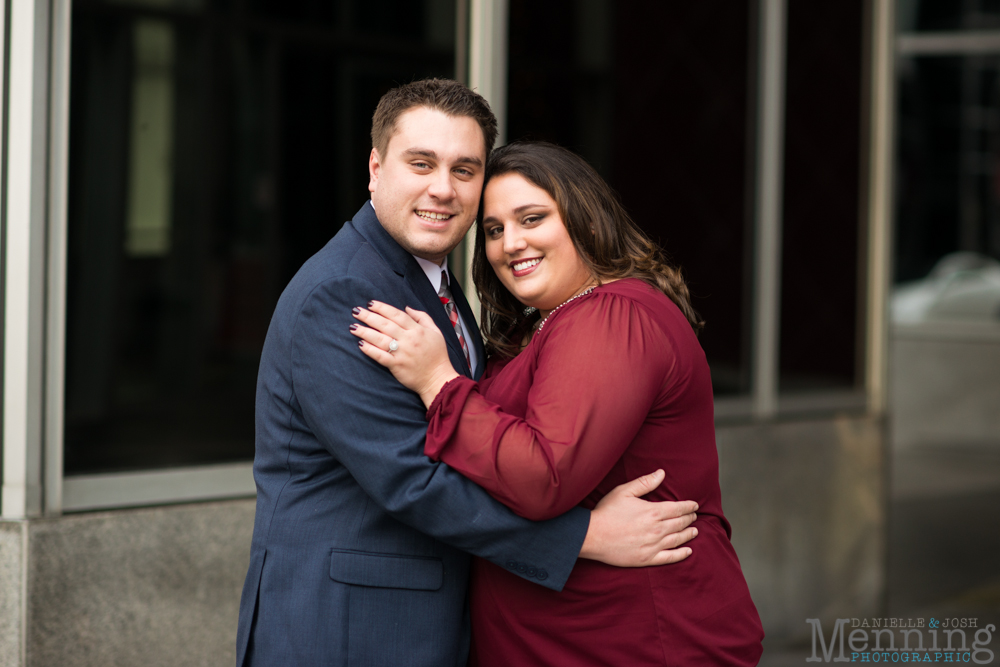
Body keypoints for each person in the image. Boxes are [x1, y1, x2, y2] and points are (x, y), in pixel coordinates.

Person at [236, 80, 701, 667]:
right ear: (376, 168)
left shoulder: (431, 279)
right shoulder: (346, 292)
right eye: (421, 163)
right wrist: (585, 537)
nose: (442, 188)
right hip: (348, 628)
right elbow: (412, 478)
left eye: (464, 169)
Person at [352, 141, 765, 665]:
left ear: (585, 219)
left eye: (532, 218)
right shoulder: (553, 322)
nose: (510, 244)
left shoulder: (610, 317)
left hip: (635, 639)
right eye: (496, 230)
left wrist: (438, 381)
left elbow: (542, 474)